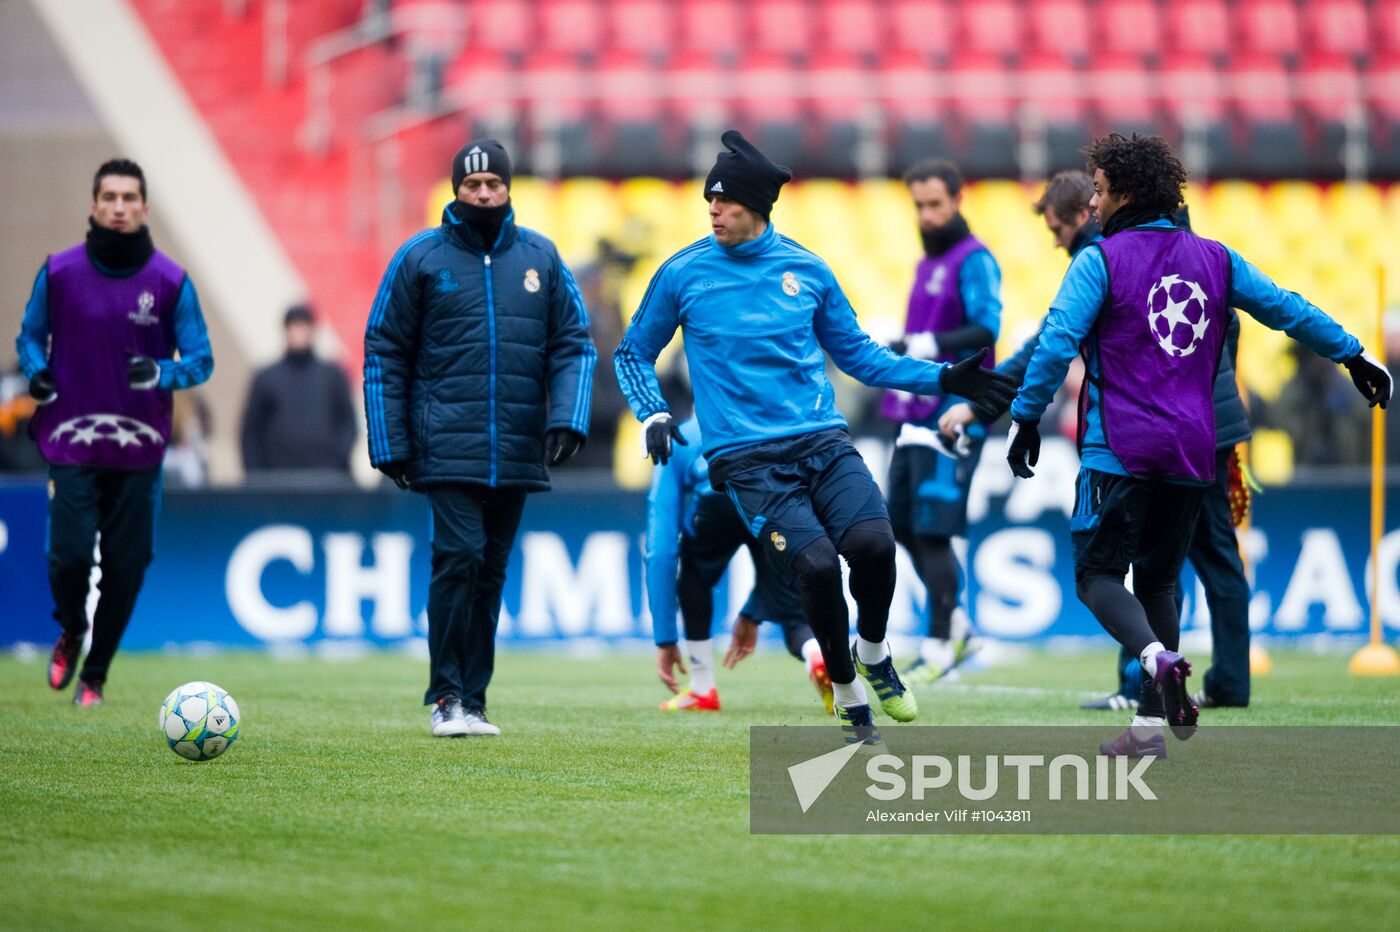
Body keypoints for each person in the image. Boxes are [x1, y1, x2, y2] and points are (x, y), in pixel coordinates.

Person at [614, 130, 1015, 745]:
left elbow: (860, 356)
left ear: (756, 206)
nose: (713, 211)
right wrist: (653, 414)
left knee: (877, 546)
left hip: (824, 443)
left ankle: (875, 654)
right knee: (818, 565)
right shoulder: (683, 274)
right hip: (747, 462)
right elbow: (633, 354)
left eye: (723, 202)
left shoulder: (806, 270)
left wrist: (942, 378)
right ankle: (849, 686)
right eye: (708, 203)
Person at [1005, 133, 1390, 757]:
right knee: (1159, 582)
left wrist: (1025, 417)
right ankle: (1150, 729)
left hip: (1119, 450)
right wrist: (1353, 353)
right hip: (1192, 452)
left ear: (1125, 192)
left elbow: (1055, 343)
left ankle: (1156, 659)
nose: (1094, 204)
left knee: (1097, 576)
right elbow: (1285, 308)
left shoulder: (1098, 261)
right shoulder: (1216, 257)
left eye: (1099, 190)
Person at [364, 139, 595, 738]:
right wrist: (389, 440)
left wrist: (567, 415)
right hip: (445, 442)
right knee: (458, 557)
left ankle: (474, 699)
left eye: (494, 184)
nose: (484, 194)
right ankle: (445, 697)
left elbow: (574, 343)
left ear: (508, 189)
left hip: (516, 445)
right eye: (473, 186)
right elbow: (383, 349)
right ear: (455, 191)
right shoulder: (419, 257)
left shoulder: (541, 258)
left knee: (490, 571)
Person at [15, 158, 215, 705]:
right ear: (94, 205)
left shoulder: (171, 282)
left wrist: (162, 373)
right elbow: (28, 339)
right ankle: (73, 631)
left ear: (145, 208)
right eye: (110, 197)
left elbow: (201, 361)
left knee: (127, 569)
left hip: (140, 450)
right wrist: (37, 374)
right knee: (70, 558)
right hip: (70, 443)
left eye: (130, 198)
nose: (120, 206)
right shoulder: (58, 272)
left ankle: (95, 674)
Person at [879, 159, 1002, 685]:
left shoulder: (974, 260)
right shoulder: (927, 262)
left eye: (935, 204)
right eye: (919, 205)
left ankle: (937, 648)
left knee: (931, 531)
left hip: (953, 415)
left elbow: (986, 328)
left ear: (956, 201)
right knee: (899, 523)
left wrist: (930, 345)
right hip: (915, 411)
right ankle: (958, 628)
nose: (927, 215)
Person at [646, 417, 833, 714]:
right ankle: (816, 656)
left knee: (694, 574)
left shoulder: (684, 434)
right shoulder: (773, 424)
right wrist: (754, 611)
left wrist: (665, 637)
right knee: (793, 605)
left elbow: (660, 550)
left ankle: (702, 687)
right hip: (770, 495)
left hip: (713, 498)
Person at [240, 304, 357, 476]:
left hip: (325, 480)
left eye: (303, 326)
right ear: (286, 330)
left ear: (312, 330)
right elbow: (250, 431)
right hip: (278, 481)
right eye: (294, 326)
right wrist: (256, 476)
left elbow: (348, 424)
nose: (298, 332)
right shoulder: (267, 377)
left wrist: (337, 462)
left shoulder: (332, 375)